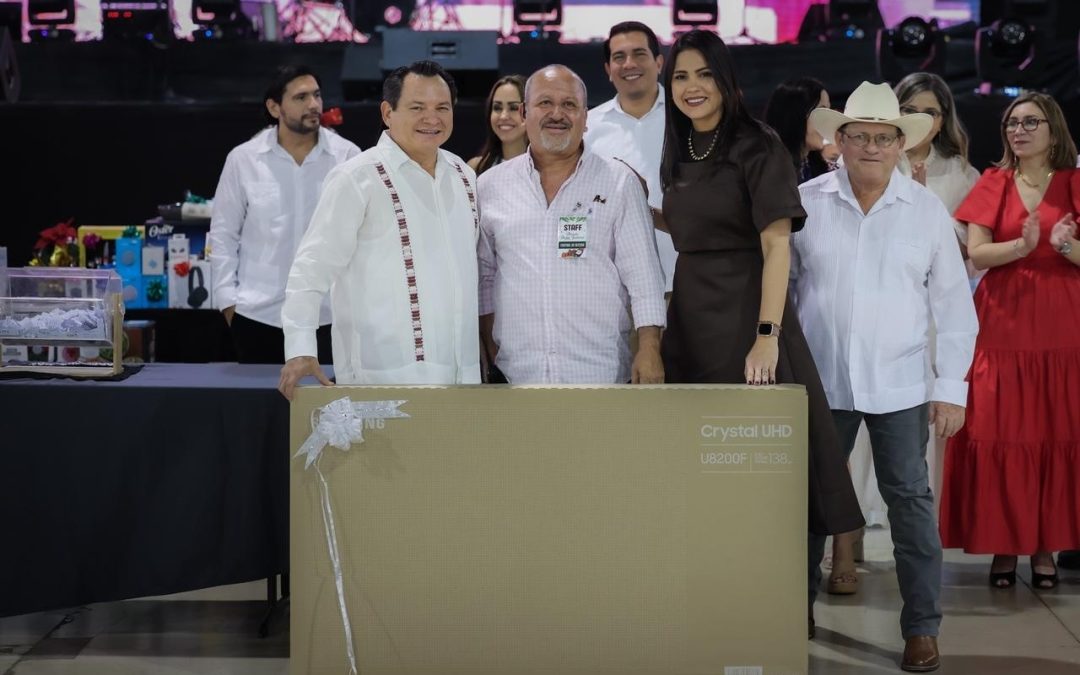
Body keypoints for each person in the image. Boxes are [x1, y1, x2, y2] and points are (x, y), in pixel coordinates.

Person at [656, 29, 864, 640]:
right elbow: (684, 228)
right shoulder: (677, 148)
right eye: (680, 78)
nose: (691, 88)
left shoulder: (757, 143)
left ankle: (782, 600)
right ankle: (712, 597)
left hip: (750, 314)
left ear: (724, 79)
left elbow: (776, 246)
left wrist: (767, 335)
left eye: (702, 75)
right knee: (703, 473)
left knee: (772, 472)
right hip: (691, 319)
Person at [795, 81, 978, 672]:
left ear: (901, 146)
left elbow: (954, 307)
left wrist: (952, 390)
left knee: (911, 507)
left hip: (900, 383)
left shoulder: (926, 212)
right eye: (859, 137)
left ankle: (921, 628)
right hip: (821, 382)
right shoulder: (807, 203)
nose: (871, 148)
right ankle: (793, 610)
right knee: (808, 505)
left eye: (883, 138)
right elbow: (783, 293)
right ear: (839, 141)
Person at [939, 92, 1080, 591]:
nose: (1019, 131)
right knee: (999, 430)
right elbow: (976, 254)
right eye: (1012, 123)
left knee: (1052, 430)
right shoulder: (995, 181)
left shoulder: (1076, 181)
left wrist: (1066, 246)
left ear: (1053, 128)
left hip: (1064, 328)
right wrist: (1021, 246)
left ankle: (1045, 548)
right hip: (1002, 324)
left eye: (1030, 122)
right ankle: (1004, 545)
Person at [277, 60, 481, 399]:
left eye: (442, 108)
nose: (432, 118)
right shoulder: (357, 178)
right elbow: (310, 270)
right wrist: (300, 348)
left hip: (463, 379)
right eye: (417, 107)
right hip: (381, 378)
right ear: (388, 112)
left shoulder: (464, 175)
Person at [477, 64, 666, 385]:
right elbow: (484, 278)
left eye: (569, 105)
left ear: (585, 116)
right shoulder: (490, 186)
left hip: (600, 372)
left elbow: (644, 277)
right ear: (525, 112)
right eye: (545, 103)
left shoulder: (618, 182)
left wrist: (649, 349)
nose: (557, 114)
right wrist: (489, 351)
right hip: (517, 376)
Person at [209, 64, 360, 364]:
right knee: (257, 410)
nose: (314, 105)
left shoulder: (347, 158)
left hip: (328, 318)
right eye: (301, 97)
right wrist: (228, 303)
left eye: (317, 95)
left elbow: (363, 238)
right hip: (257, 317)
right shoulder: (243, 159)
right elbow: (223, 236)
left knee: (326, 410)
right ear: (274, 107)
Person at [584, 21, 677, 293]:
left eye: (639, 54)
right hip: (613, 289)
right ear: (607, 70)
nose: (629, 64)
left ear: (659, 62)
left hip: (684, 282)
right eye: (619, 57)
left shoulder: (686, 118)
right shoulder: (588, 127)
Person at [762, 76, 833, 183]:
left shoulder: (828, 172)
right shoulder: (763, 171)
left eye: (828, 112)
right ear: (795, 115)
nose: (828, 121)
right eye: (821, 112)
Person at [468, 75, 528, 175]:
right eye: (497, 108)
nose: (503, 116)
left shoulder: (547, 169)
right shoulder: (475, 167)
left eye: (513, 108)